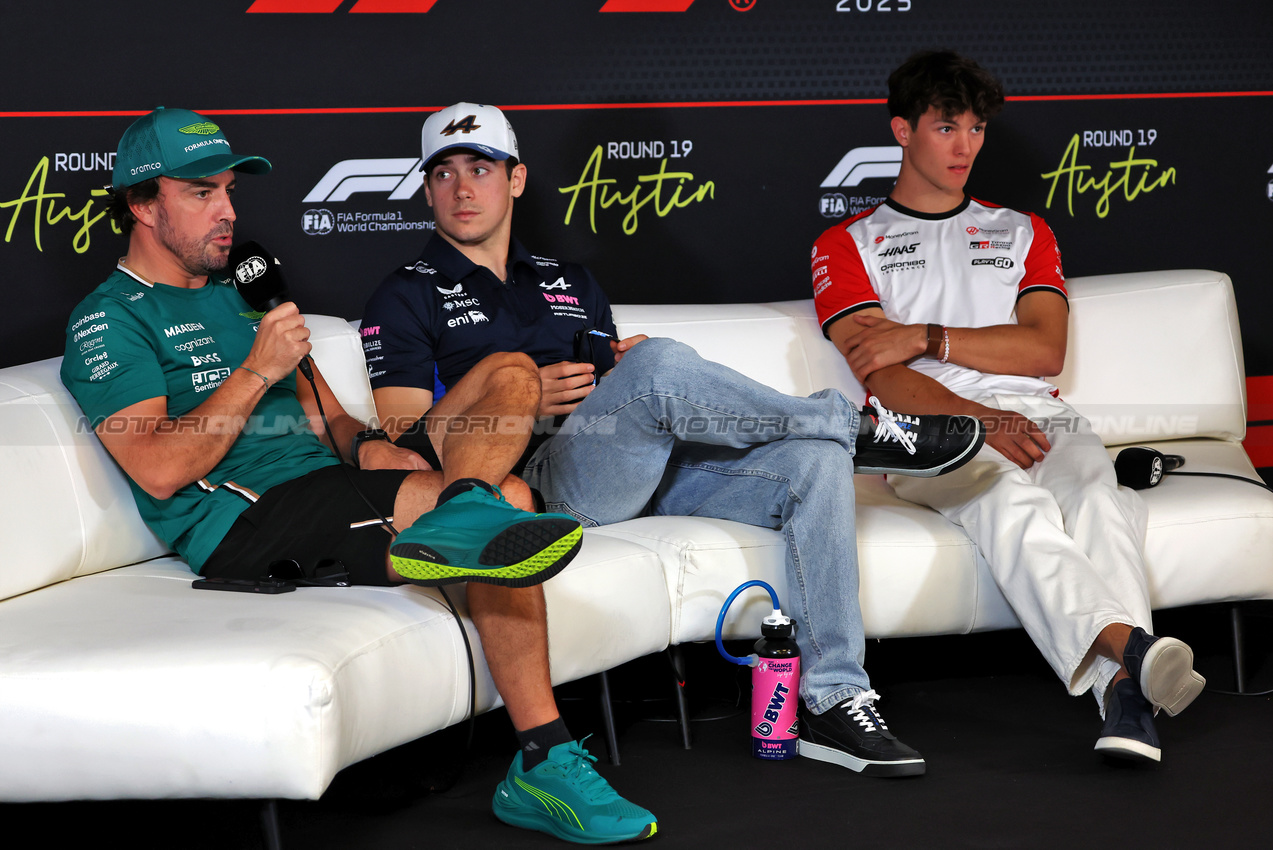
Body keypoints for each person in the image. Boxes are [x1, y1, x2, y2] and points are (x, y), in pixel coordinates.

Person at [360, 102, 988, 807]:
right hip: (528, 481)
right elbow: (403, 437)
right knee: (664, 370)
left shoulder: (570, 282)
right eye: (443, 174)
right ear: (425, 189)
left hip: (629, 465)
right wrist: (520, 399)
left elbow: (622, 386)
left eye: (480, 169)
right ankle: (855, 428)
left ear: (517, 180)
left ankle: (833, 697)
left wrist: (622, 375)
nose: (462, 188)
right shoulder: (405, 292)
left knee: (805, 462)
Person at [60, 108, 657, 845]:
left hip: (327, 484)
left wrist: (370, 445)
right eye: (202, 194)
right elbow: (155, 468)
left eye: (228, 191)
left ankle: (465, 515)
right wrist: (254, 371)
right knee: (506, 507)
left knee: (508, 374)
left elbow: (327, 419)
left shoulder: (238, 290)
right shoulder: (108, 320)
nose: (229, 212)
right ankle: (544, 759)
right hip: (244, 519)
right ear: (143, 205)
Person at [811, 51, 1205, 764]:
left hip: (1040, 413)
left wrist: (925, 335)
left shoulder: (1023, 230)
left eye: (975, 128)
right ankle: (1131, 657)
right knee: (1010, 505)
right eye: (944, 127)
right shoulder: (846, 244)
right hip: (926, 431)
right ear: (901, 131)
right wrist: (977, 416)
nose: (965, 146)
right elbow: (885, 379)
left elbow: (1042, 352)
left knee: (1095, 495)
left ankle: (1123, 697)